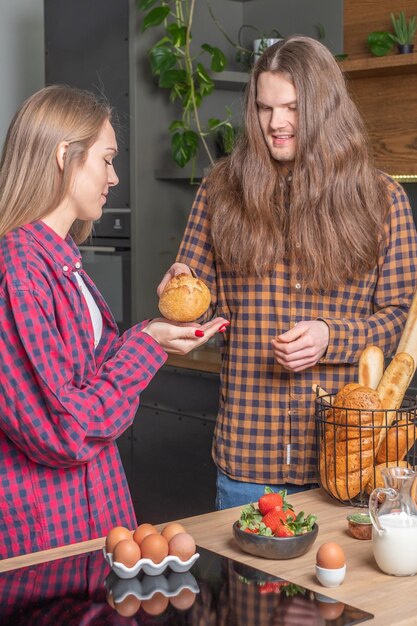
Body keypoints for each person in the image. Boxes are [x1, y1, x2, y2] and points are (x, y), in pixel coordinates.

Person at [158, 35, 417, 510]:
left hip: (343, 467)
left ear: (325, 108)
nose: (275, 123)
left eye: (292, 108)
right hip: (245, 465)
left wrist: (329, 336)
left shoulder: (382, 202)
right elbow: (196, 304)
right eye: (263, 108)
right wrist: (180, 292)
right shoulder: (220, 190)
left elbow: (402, 323)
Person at [0, 84, 228, 559]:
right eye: (106, 159)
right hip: (47, 535)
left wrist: (150, 336)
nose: (115, 177)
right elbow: (64, 427)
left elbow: (85, 376)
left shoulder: (60, 261)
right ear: (65, 155)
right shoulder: (18, 272)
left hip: (92, 518)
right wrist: (147, 349)